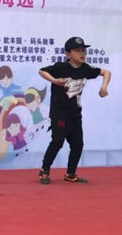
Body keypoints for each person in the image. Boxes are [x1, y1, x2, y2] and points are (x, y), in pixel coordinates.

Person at [37, 36, 110, 185]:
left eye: (83, 50)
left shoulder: (86, 69)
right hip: (60, 114)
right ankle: (44, 171)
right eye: (77, 51)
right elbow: (41, 71)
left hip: (75, 114)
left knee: (78, 144)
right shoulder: (60, 67)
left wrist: (103, 87)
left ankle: (70, 174)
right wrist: (54, 80)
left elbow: (106, 73)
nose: (82, 53)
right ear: (68, 54)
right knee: (57, 142)